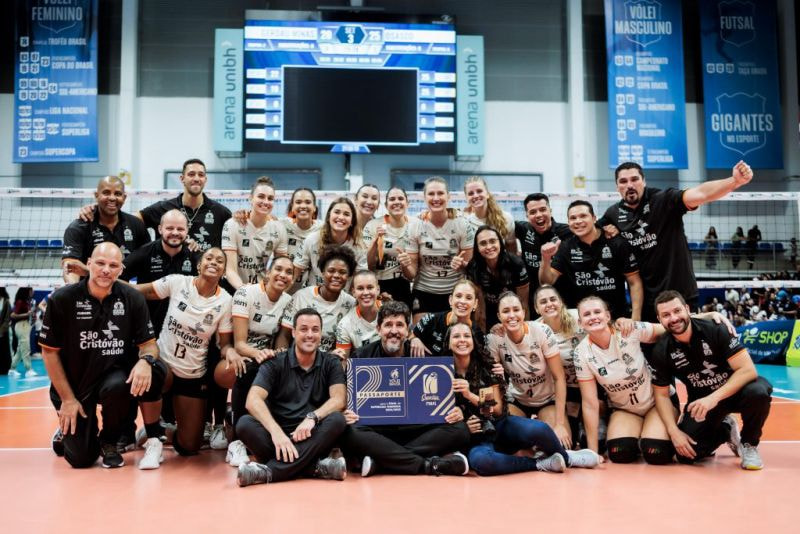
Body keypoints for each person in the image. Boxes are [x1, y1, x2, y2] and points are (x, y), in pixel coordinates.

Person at [39, 243, 167, 468]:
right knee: (81, 459)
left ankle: (109, 441)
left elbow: (149, 345)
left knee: (138, 377)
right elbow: (49, 352)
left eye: (113, 265)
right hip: (75, 385)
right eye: (100, 263)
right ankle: (71, 435)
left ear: (121, 270)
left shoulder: (132, 298)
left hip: (111, 378)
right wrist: (68, 399)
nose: (106, 269)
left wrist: (145, 361)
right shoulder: (62, 299)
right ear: (88, 264)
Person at [601, 160, 754, 321]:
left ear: (644, 181)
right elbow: (589, 230)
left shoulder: (663, 199)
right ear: (617, 186)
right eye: (623, 181)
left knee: (686, 344)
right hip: (648, 302)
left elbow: (701, 193)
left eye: (634, 179)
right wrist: (606, 230)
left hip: (681, 295)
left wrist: (734, 181)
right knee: (653, 346)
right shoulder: (613, 214)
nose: (629, 185)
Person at [338, 301, 472, 477]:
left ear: (408, 331)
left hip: (417, 432)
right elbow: (349, 399)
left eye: (400, 325)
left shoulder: (422, 355)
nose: (394, 330)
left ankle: (382, 461)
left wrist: (455, 410)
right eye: (388, 325)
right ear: (378, 329)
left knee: (460, 430)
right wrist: (347, 412)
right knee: (350, 431)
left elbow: (441, 398)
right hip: (379, 432)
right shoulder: (361, 357)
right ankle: (428, 465)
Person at [450, 322, 600, 475]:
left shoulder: (487, 367)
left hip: (499, 426)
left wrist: (469, 395)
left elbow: (494, 410)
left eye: (466, 336)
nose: (462, 340)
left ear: (473, 341)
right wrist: (462, 425)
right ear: (448, 343)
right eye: (456, 336)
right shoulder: (442, 373)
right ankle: (539, 463)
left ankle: (567, 458)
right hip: (475, 439)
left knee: (540, 428)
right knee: (483, 462)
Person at [133, 247, 234, 468]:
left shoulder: (225, 301)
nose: (213, 262)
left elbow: (224, 344)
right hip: (164, 364)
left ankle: (163, 431)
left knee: (190, 446)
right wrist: (107, 279)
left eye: (220, 261)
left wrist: (231, 352)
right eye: (209, 258)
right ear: (199, 265)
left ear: (224, 271)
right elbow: (138, 291)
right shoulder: (178, 282)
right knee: (151, 369)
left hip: (192, 373)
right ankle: (152, 437)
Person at [651, 290, 773, 470]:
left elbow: (747, 370)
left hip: (735, 391)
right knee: (686, 454)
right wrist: (673, 431)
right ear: (659, 319)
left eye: (677, 311)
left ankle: (749, 444)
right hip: (701, 402)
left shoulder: (714, 328)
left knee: (758, 393)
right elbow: (661, 395)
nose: (674, 318)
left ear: (687, 309)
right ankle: (725, 429)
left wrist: (713, 398)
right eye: (666, 315)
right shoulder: (661, 349)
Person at [235, 308, 348, 486]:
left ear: (321, 333)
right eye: (303, 329)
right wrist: (276, 432)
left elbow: (339, 399)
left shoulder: (331, 362)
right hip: (277, 439)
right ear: (293, 332)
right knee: (244, 424)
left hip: (312, 435)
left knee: (337, 419)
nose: (310, 335)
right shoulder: (275, 362)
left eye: (315, 329)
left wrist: (312, 417)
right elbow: (253, 400)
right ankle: (314, 468)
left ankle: (268, 472)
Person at [573, 296, 677, 465]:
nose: (593, 317)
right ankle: (640, 434)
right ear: (580, 322)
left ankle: (654, 431)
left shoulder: (628, 330)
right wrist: (592, 452)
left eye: (597, 312)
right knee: (620, 453)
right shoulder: (581, 353)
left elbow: (668, 327)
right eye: (587, 314)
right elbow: (590, 403)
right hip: (625, 410)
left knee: (656, 452)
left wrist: (707, 316)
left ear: (607, 316)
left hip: (657, 403)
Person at [221, 256, 295, 468]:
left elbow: (282, 337)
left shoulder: (288, 301)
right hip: (234, 354)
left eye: (288, 272)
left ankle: (263, 430)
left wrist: (279, 352)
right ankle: (235, 441)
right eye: (278, 269)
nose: (283, 275)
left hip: (266, 356)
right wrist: (260, 354)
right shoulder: (247, 292)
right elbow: (240, 344)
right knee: (247, 367)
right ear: (267, 272)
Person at [487, 292, 571, 447]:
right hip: (518, 400)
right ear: (499, 316)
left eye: (516, 310)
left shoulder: (541, 331)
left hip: (547, 400)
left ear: (523, 312)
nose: (512, 315)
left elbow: (559, 378)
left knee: (559, 445)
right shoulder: (494, 338)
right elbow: (493, 380)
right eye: (506, 311)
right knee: (505, 444)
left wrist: (559, 424)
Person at [540, 200, 643, 320]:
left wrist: (636, 318)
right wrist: (545, 259)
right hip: (581, 320)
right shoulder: (565, 247)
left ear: (594, 218)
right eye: (573, 218)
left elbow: (634, 282)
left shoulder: (616, 243)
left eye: (583, 216)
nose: (578, 221)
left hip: (617, 318)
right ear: (568, 222)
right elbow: (547, 281)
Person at [401, 177, 475, 322]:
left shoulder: (462, 224)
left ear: (448, 196)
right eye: (431, 194)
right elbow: (411, 275)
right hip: (424, 291)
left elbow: (472, 269)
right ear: (424, 197)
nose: (436, 198)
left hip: (455, 293)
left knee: (455, 338)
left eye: (440, 193)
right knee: (419, 340)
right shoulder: (415, 225)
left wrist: (462, 265)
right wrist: (405, 264)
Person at [121, 209, 197, 337]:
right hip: (147, 325)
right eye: (170, 228)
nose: (175, 233)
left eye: (180, 229)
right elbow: (118, 278)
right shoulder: (144, 253)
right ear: (160, 229)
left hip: (182, 330)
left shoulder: (194, 255)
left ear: (187, 231)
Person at [62, 176, 150, 284]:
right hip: (87, 294)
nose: (112, 198)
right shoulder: (78, 227)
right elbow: (71, 265)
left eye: (117, 194)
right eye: (106, 193)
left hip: (123, 293)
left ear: (124, 197)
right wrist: (73, 291)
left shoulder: (136, 225)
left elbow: (147, 260)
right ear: (96, 195)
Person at [278, 245, 357, 353]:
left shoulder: (351, 303)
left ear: (348, 276)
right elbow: (284, 335)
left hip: (329, 362)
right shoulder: (302, 296)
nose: (336, 275)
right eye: (331, 270)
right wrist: (283, 361)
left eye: (342, 272)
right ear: (322, 273)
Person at [532, 284, 586, 440]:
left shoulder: (579, 317)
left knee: (597, 441)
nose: (549, 304)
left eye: (553, 299)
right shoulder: (535, 330)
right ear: (536, 308)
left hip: (593, 384)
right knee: (572, 438)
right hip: (566, 389)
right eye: (543, 302)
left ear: (561, 302)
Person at [221, 177, 288, 289]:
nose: (266, 202)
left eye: (270, 198)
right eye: (261, 196)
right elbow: (230, 270)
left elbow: (282, 267)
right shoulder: (233, 224)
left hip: (261, 290)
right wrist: (245, 291)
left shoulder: (279, 228)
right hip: (233, 288)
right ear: (251, 198)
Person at [514, 193, 574, 312]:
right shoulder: (523, 229)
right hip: (534, 300)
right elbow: (499, 222)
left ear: (550, 211)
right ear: (527, 215)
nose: (539, 215)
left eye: (543, 210)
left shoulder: (567, 232)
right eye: (533, 212)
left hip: (563, 299)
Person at [362, 186, 420, 308]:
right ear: (386, 204)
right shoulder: (373, 225)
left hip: (403, 284)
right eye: (392, 199)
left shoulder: (416, 224)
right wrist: (375, 242)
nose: (397, 202)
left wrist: (405, 263)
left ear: (407, 203)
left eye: (400, 198)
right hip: (379, 283)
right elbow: (369, 265)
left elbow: (411, 274)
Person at [465, 225, 529, 330]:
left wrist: (524, 332)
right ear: (477, 248)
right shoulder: (473, 267)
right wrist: (482, 338)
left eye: (492, 241)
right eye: (483, 243)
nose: (489, 247)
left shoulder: (516, 264)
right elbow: (480, 310)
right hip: (489, 312)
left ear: (500, 242)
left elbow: (523, 304)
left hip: (511, 311)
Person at [293, 197, 367, 288]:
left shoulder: (358, 246)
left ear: (352, 221)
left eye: (346, 214)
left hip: (343, 299)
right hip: (314, 297)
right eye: (337, 212)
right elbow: (294, 273)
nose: (341, 217)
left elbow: (361, 280)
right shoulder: (312, 239)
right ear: (328, 217)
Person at [411, 279, 483, 356]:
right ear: (450, 300)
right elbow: (410, 335)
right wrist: (414, 339)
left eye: (468, 298)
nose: (462, 301)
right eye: (458, 296)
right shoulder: (431, 319)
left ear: (475, 304)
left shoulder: (477, 332)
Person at [334, 270, 382, 360]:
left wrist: (414, 339)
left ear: (378, 290)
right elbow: (343, 362)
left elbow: (407, 337)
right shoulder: (345, 324)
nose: (366, 292)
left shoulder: (391, 313)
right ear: (353, 292)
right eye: (360, 288)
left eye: (370, 287)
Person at [462, 176, 516, 253]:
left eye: (479, 191)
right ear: (466, 198)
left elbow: (511, 247)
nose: (476, 196)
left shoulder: (506, 218)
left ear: (487, 194)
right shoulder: (464, 222)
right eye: (471, 193)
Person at [282, 188, 322, 291]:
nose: (303, 206)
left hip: (312, 294)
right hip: (286, 290)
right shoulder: (282, 225)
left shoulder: (324, 229)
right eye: (298, 202)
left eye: (308, 202)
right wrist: (244, 214)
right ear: (292, 207)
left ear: (314, 208)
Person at [8, 287, 36, 378]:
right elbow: (13, 315)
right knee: (26, 348)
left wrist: (32, 317)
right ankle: (28, 369)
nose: (32, 292)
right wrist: (27, 314)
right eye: (31, 290)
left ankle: (12, 369)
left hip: (26, 325)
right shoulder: (20, 301)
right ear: (26, 291)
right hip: (21, 325)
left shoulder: (26, 302)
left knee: (20, 350)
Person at [0, 288, 10, 374]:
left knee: (3, 350)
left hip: (3, 331)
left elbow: (7, 318)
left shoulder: (6, 302)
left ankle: (4, 368)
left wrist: (2, 330)